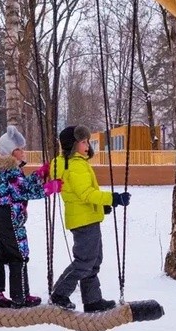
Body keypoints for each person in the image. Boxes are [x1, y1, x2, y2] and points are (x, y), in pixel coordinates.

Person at [48, 125, 131, 313]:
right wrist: (112, 198)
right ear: (72, 145)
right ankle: (59, 293)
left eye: (87, 141)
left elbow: (82, 195)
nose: (87, 145)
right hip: (83, 221)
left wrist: (101, 206)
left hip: (87, 217)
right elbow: (86, 193)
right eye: (83, 142)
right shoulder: (75, 165)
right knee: (85, 261)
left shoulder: (77, 162)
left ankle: (92, 300)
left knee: (93, 261)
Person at [0, 125, 62, 308]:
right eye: (19, 149)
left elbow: (21, 185)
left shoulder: (3, 169)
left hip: (1, 214)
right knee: (19, 254)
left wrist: (40, 173)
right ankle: (21, 295)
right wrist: (50, 187)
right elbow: (25, 190)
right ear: (11, 152)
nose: (23, 152)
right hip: (11, 215)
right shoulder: (11, 171)